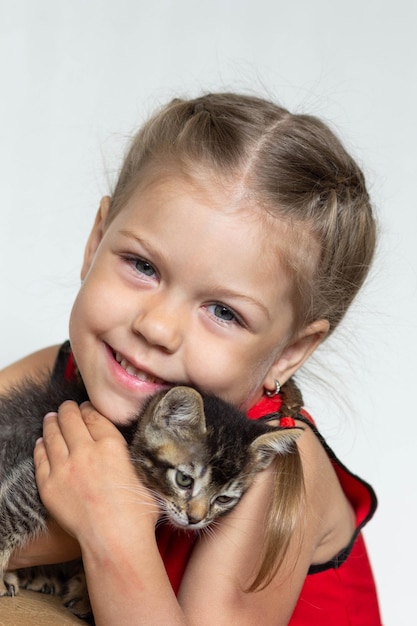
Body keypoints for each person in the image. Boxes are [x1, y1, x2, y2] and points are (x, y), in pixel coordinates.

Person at [0, 93, 382, 625]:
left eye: (224, 311)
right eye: (141, 265)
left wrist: (110, 529)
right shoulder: (69, 370)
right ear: (95, 241)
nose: (156, 327)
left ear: (289, 352)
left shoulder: (267, 468)